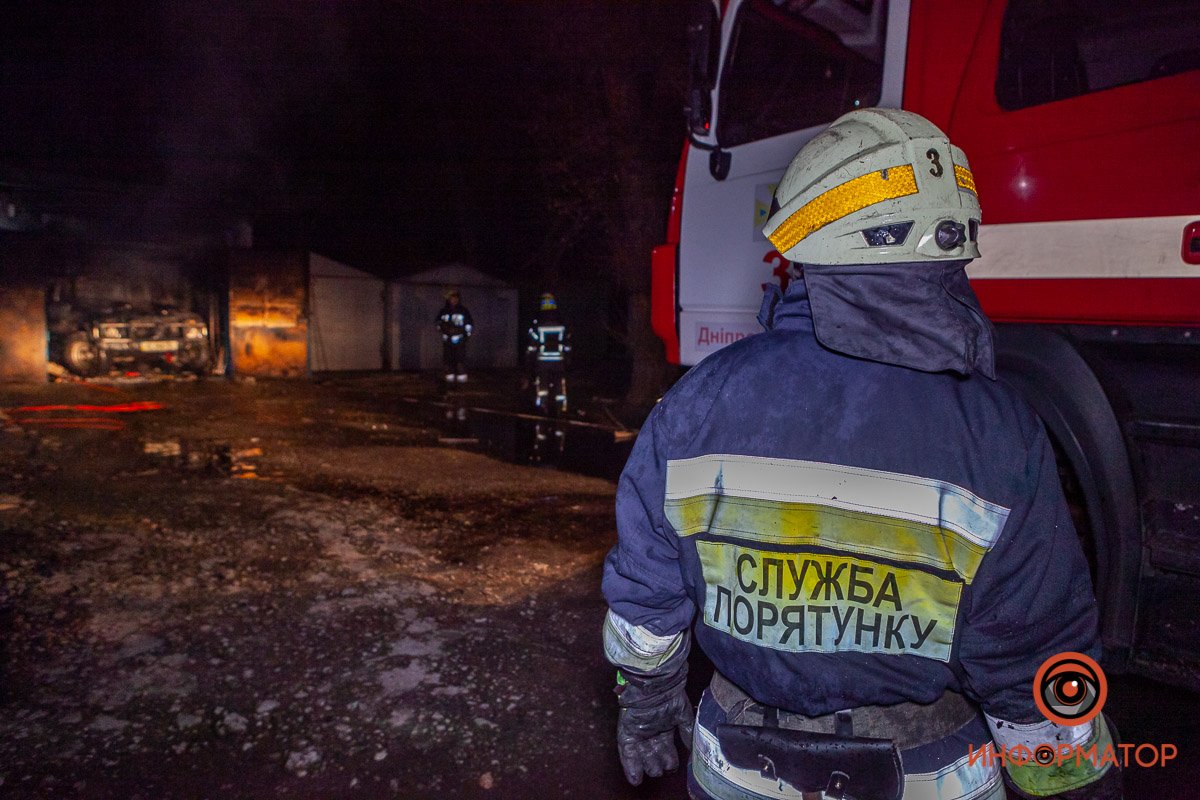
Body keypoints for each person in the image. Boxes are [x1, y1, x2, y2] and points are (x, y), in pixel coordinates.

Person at [601, 109, 1119, 800]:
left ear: (806, 241)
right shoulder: (997, 430)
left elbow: (645, 603)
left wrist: (644, 703)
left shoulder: (699, 401)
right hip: (930, 775)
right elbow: (1032, 653)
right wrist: (1068, 782)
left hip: (738, 769)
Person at [526, 292, 570, 414]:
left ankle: (542, 406)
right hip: (558, 360)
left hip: (543, 361)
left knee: (543, 385)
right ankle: (561, 407)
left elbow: (532, 344)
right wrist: (567, 357)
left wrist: (529, 358)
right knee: (559, 384)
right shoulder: (561, 323)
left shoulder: (538, 323)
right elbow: (566, 343)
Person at [436, 288, 473, 383]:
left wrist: (466, 335)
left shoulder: (463, 311)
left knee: (460, 359)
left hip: (460, 340)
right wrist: (443, 329)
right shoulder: (443, 311)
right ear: (449, 299)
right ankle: (449, 380)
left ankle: (462, 380)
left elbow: (469, 324)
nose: (454, 300)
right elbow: (438, 323)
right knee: (448, 360)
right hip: (447, 340)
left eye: (456, 298)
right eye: (452, 298)